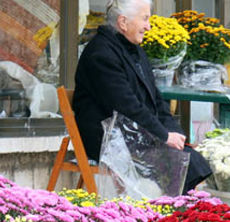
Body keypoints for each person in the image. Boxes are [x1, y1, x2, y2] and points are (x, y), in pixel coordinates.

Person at [73, 0, 211, 194]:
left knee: (191, 157)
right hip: (110, 139)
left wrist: (174, 133)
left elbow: (157, 100)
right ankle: (168, 215)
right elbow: (126, 107)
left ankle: (175, 214)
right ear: (123, 22)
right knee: (186, 164)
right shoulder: (101, 54)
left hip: (136, 133)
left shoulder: (135, 50)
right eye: (145, 19)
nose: (148, 26)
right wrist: (163, 136)